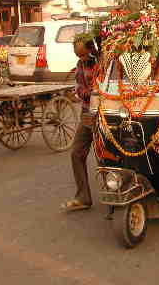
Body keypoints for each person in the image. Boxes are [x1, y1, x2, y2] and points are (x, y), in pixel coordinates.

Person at [61, 36, 98, 212]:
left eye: (84, 55)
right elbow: (79, 87)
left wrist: (93, 93)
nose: (82, 59)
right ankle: (83, 196)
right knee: (76, 152)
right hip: (87, 112)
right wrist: (84, 93)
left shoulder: (102, 62)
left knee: (109, 155)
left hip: (105, 112)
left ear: (91, 50)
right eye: (79, 56)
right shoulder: (80, 65)